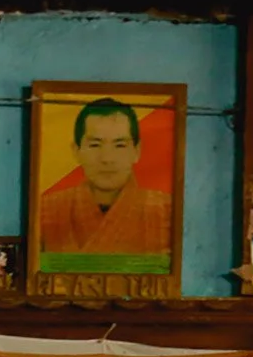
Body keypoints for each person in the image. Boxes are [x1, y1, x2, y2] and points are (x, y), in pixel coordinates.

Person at [37, 98, 172, 260]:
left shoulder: (167, 211)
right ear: (76, 151)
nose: (107, 158)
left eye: (120, 145)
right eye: (95, 145)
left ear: (137, 151)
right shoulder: (45, 210)